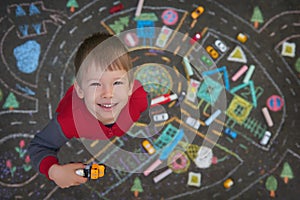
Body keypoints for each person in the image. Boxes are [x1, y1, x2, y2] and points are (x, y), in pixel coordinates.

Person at [28, 32, 150, 188]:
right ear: (79, 90)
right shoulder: (69, 120)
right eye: (96, 84)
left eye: (117, 83)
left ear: (130, 87)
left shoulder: (139, 96)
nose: (108, 94)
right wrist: (54, 172)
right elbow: (39, 147)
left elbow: (144, 104)